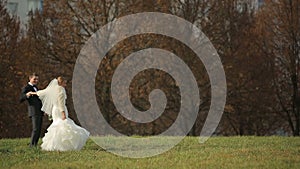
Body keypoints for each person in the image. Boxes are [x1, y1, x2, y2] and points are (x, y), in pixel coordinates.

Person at [29, 76, 90, 151]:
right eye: (64, 83)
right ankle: (64, 146)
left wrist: (33, 93)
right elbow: (61, 103)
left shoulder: (53, 89)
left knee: (57, 125)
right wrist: (63, 113)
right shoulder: (61, 90)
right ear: (61, 82)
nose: (65, 84)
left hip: (55, 110)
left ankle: (55, 145)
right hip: (60, 110)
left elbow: (42, 92)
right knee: (63, 125)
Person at [20, 73, 43, 147]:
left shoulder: (36, 87)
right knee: (35, 128)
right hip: (33, 111)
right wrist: (27, 95)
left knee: (39, 129)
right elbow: (21, 98)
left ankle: (35, 144)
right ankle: (31, 145)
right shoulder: (26, 87)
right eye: (34, 79)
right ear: (30, 78)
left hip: (39, 111)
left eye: (37, 79)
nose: (36, 81)